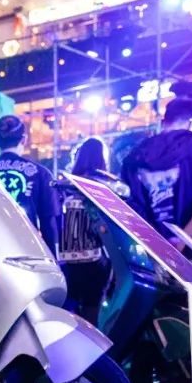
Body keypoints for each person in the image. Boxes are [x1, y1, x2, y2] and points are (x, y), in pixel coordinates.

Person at [120, 97, 192, 283]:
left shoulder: (135, 156)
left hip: (158, 261)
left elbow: (132, 207)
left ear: (164, 121)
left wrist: (160, 245)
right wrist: (183, 239)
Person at [60, 137, 127, 323]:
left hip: (66, 260)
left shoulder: (66, 186)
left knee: (69, 312)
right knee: (92, 311)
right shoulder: (103, 186)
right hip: (94, 259)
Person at [0, 115, 60, 254]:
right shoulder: (41, 173)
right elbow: (48, 222)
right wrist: (53, 258)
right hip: (27, 250)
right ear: (24, 139)